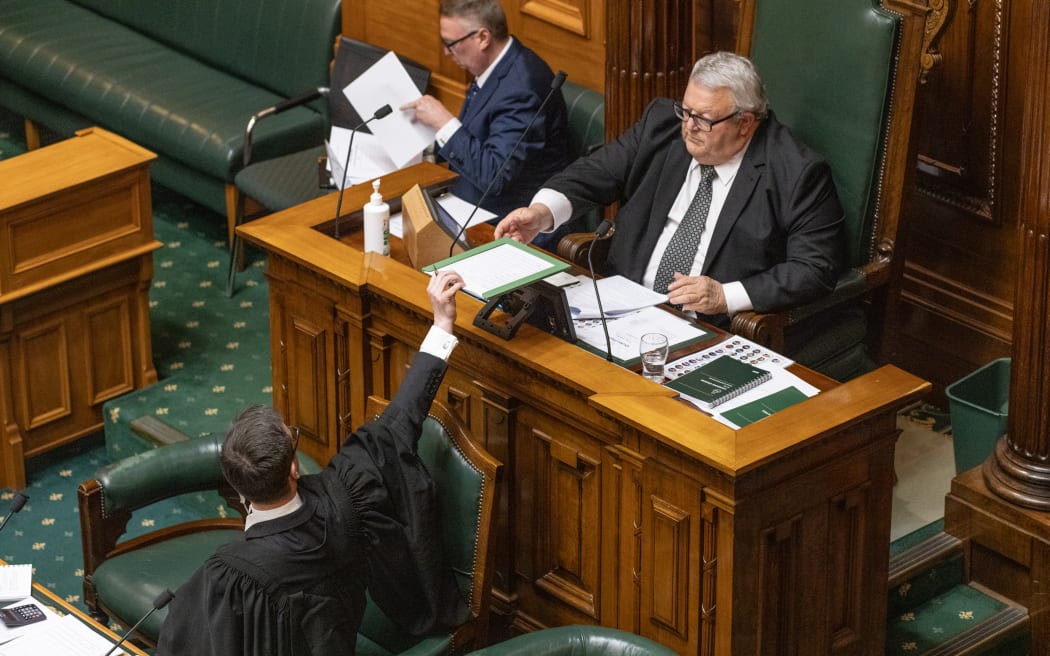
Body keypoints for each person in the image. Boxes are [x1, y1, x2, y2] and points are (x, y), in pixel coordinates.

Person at [156, 271, 469, 656]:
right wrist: (441, 322)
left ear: (237, 489)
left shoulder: (230, 576)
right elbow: (401, 420)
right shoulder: (350, 497)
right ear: (293, 468)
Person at [495, 51, 847, 330]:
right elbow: (597, 170)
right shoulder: (662, 126)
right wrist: (540, 213)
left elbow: (814, 267)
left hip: (711, 327)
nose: (689, 127)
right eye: (686, 111)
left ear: (745, 123)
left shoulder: (796, 172)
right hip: (622, 305)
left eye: (704, 119)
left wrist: (726, 295)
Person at [400, 0, 574, 250]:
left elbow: (495, 176)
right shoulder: (493, 67)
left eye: (451, 44)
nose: (447, 53)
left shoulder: (523, 89)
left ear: (483, 37)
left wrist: (444, 123)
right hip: (467, 203)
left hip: (511, 227)